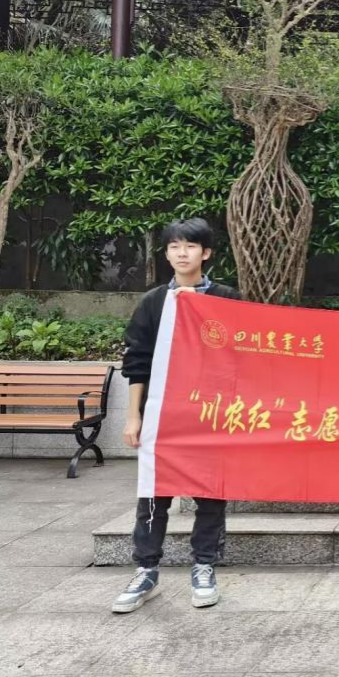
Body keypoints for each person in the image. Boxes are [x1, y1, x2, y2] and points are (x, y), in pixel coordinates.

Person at [112, 218, 241, 613]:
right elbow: (137, 362)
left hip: (210, 415)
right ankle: (146, 571)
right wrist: (133, 417)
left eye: (190, 246)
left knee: (210, 495)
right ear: (167, 254)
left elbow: (240, 358)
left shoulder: (226, 298)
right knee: (154, 495)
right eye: (174, 247)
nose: (182, 253)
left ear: (206, 253)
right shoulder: (154, 302)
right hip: (162, 415)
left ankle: (204, 567)